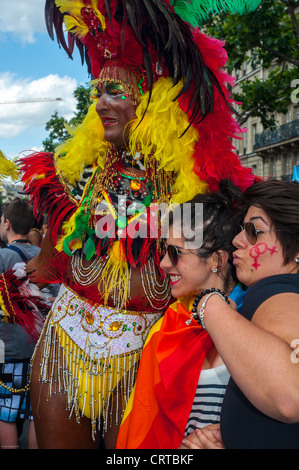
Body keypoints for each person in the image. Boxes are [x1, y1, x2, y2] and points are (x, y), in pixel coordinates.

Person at [0, 0, 260, 449]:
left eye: (115, 92)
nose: (99, 103)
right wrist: (16, 285)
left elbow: (231, 262)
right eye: (97, 92)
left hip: (148, 348)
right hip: (65, 338)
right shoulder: (84, 179)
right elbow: (51, 262)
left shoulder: (196, 186)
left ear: (152, 102)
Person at [116, 180, 247, 448]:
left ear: (216, 260)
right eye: (164, 251)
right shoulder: (168, 328)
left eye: (175, 253)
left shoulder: (257, 321)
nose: (164, 263)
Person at [181, 179, 299, 449]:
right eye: (240, 229)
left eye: (254, 230)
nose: (237, 240)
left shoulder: (277, 288)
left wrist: (209, 303)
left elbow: (289, 396)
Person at [0, 198, 40, 449]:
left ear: (7, 223)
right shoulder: (46, 255)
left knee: (6, 410)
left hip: (11, 346)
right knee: (37, 411)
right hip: (42, 347)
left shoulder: (3, 257)